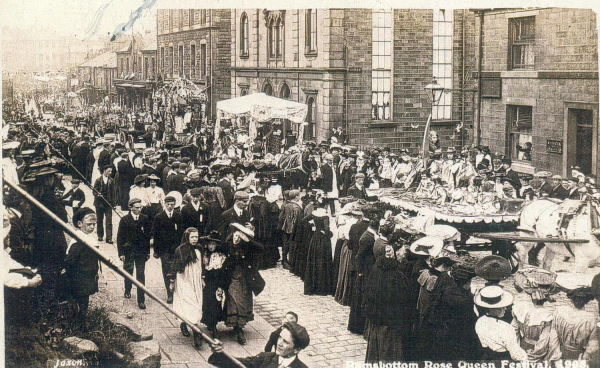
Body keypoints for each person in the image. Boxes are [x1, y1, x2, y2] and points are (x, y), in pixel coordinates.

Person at [363, 244, 412, 363]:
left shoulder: (376, 269)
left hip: (377, 319)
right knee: (390, 351)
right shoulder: (398, 276)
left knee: (376, 349)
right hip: (392, 322)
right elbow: (404, 301)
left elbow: (368, 293)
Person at [223, 223, 264, 345]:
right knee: (235, 301)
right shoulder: (227, 245)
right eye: (235, 235)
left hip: (244, 279)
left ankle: (239, 326)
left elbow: (260, 248)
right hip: (231, 278)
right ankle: (237, 327)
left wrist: (248, 240)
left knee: (242, 301)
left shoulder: (246, 247)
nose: (236, 239)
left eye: (239, 237)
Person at [208, 322, 310, 368]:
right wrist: (219, 353)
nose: (279, 343)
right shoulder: (265, 358)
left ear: (297, 349)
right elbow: (237, 364)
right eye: (280, 338)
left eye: (286, 342)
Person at [168, 227, 205, 349]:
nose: (195, 239)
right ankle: (196, 334)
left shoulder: (200, 249)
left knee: (196, 303)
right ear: (187, 237)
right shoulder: (180, 250)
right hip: (184, 280)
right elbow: (175, 266)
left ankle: (185, 323)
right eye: (192, 237)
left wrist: (203, 278)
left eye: (196, 237)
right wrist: (172, 281)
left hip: (196, 280)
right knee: (189, 304)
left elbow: (202, 265)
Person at [474, 286, 528, 360]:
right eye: (501, 307)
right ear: (493, 310)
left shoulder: (479, 321)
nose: (505, 308)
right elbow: (516, 355)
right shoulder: (506, 327)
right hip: (503, 359)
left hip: (486, 358)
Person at [117, 198, 152, 309]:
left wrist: (147, 252)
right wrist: (121, 253)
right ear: (130, 208)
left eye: (140, 207)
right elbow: (120, 238)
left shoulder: (145, 219)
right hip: (128, 252)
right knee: (128, 272)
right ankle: (127, 289)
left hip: (141, 252)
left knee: (141, 274)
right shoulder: (124, 220)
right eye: (136, 207)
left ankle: (141, 300)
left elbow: (147, 237)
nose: (138, 209)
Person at [64, 207, 99, 315]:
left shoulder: (89, 238)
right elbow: (69, 262)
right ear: (79, 223)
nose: (92, 227)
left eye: (94, 224)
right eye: (89, 224)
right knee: (79, 306)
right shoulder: (78, 242)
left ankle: (82, 323)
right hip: (79, 280)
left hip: (87, 279)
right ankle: (80, 326)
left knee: (84, 304)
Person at [152, 195, 184, 304]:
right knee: (166, 271)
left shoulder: (179, 216)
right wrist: (156, 251)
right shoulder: (159, 217)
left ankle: (177, 291)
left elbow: (182, 233)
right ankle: (169, 293)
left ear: (175, 205)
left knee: (176, 270)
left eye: (172, 205)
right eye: (168, 205)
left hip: (176, 249)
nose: (170, 207)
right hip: (164, 249)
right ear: (164, 205)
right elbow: (156, 235)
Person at [201, 232, 228, 339]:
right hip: (205, 284)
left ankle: (214, 325)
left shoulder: (220, 257)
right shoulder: (204, 256)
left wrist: (221, 286)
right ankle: (209, 323)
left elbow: (222, 273)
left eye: (213, 244)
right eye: (209, 244)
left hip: (216, 284)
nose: (211, 246)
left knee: (215, 304)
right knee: (207, 304)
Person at [304, 207, 335, 296]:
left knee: (314, 259)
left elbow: (303, 220)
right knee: (323, 261)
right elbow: (326, 229)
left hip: (315, 238)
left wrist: (312, 227)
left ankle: (313, 285)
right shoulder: (325, 217)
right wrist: (329, 234)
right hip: (323, 240)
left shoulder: (314, 214)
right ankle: (322, 287)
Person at [279, 189, 303, 269]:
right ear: (296, 197)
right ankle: (291, 261)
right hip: (293, 230)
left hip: (285, 228)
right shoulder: (296, 207)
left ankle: (284, 260)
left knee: (285, 245)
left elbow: (281, 217)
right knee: (292, 245)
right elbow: (296, 220)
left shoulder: (286, 205)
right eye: (299, 195)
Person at [93, 165, 115, 243]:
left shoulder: (111, 181)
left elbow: (113, 193)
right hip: (99, 203)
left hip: (108, 203)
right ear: (104, 170)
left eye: (111, 171)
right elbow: (94, 191)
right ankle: (100, 235)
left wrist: (114, 204)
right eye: (108, 171)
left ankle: (109, 238)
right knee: (99, 220)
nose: (110, 173)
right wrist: (98, 195)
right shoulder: (98, 180)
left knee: (109, 220)